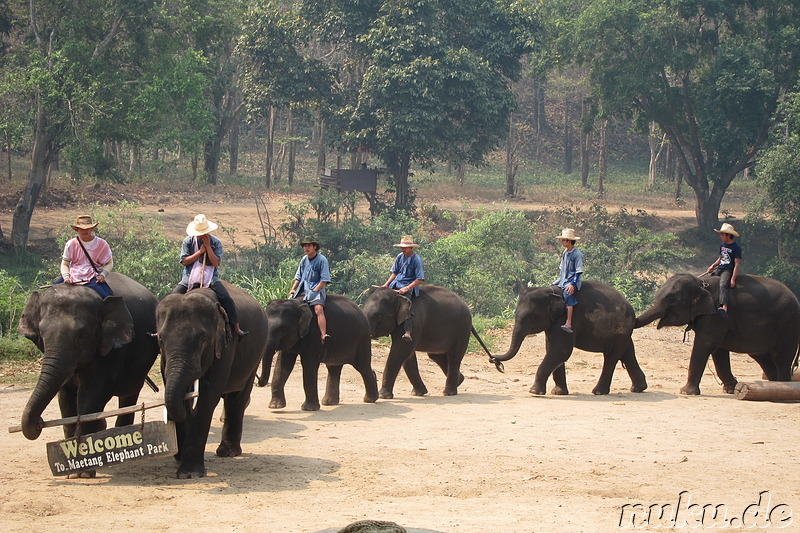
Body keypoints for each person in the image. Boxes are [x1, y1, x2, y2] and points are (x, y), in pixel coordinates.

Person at [173, 214, 247, 337]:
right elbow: (185, 261)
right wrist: (200, 252)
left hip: (210, 276)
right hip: (189, 276)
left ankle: (236, 328)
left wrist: (208, 247)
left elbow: (216, 263)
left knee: (226, 298)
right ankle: (159, 330)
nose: (201, 235)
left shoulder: (215, 242)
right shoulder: (188, 241)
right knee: (171, 298)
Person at [56, 214, 114, 298]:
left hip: (93, 277)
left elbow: (109, 263)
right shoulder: (71, 244)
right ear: (77, 230)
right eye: (81, 229)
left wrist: (103, 275)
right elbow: (65, 263)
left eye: (87, 229)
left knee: (105, 297)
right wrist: (66, 277)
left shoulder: (102, 244)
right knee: (50, 294)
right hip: (73, 276)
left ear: (91, 229)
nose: (84, 231)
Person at [381, 235, 425, 341]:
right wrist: (386, 284)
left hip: (408, 287)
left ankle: (407, 331)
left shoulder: (416, 260)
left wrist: (407, 288)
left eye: (405, 247)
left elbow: (420, 279)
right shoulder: (400, 256)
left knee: (405, 306)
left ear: (411, 248)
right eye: (402, 247)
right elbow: (395, 272)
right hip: (396, 284)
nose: (403, 249)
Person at [289, 237, 332, 343]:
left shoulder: (322, 260)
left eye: (308, 245)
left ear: (314, 247)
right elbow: (298, 277)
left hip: (316, 291)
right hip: (303, 290)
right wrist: (293, 289)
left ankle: (323, 334)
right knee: (289, 305)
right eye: (304, 246)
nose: (306, 248)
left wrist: (314, 290)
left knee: (318, 309)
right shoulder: (304, 259)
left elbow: (324, 280)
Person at [706, 222, 742, 318]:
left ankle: (724, 306)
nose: (720, 236)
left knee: (722, 284)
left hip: (727, 269)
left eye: (722, 234)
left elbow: (737, 264)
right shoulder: (722, 245)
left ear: (728, 235)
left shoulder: (736, 248)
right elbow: (720, 258)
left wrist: (733, 279)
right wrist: (712, 266)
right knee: (708, 281)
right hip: (720, 268)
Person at [552, 228, 584, 334]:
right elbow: (563, 269)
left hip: (571, 281)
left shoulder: (577, 254)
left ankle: (569, 322)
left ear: (569, 241)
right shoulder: (565, 253)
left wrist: (573, 284)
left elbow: (578, 271)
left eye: (563, 240)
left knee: (568, 294)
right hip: (563, 279)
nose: (562, 242)